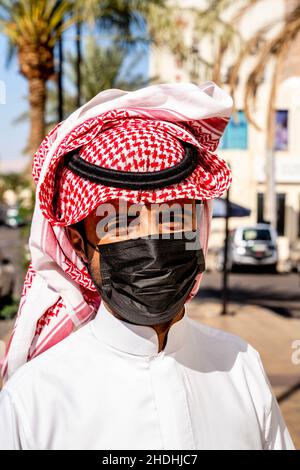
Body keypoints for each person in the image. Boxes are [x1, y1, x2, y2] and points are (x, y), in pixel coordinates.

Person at [0, 83, 295, 450]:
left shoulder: (242, 367)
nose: (152, 242)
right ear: (79, 242)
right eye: (121, 221)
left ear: (197, 227)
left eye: (172, 217)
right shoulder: (32, 402)